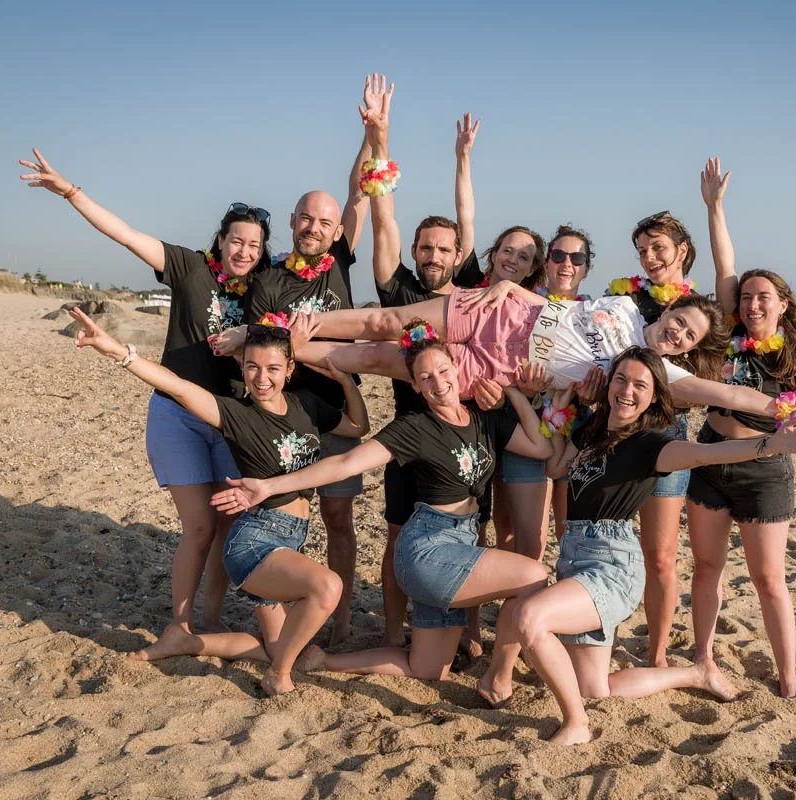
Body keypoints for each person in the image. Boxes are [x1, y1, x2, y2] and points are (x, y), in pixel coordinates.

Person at [477, 347, 796, 744]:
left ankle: (576, 725)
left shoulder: (651, 445)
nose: (627, 391)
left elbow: (705, 453)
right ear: (609, 385)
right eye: (621, 380)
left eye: (640, 385)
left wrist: (775, 444)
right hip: (574, 561)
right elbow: (557, 467)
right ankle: (695, 673)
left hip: (612, 567)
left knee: (529, 619)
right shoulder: (591, 430)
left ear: (654, 396)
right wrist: (535, 401)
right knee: (594, 688)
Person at [18, 148, 272, 638]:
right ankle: (179, 623)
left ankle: (213, 620)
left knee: (225, 526)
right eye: (235, 241)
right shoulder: (188, 267)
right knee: (198, 527)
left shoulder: (267, 286)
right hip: (176, 413)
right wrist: (71, 192)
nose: (243, 251)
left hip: (233, 417)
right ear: (218, 241)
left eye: (254, 246)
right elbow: (123, 233)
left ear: (263, 253)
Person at [211, 322, 553, 681]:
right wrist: (269, 486)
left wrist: (513, 393)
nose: (438, 383)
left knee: (429, 669)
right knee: (532, 576)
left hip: (461, 545)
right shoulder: (414, 428)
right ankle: (499, 675)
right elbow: (345, 463)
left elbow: (541, 447)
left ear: (457, 368)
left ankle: (324, 662)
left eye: (442, 370)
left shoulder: (487, 420)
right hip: (428, 549)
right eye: (426, 378)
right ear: (416, 386)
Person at [68, 309, 369, 696]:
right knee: (328, 587)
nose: (262, 378)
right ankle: (278, 676)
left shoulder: (306, 405)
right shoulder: (236, 414)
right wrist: (117, 351)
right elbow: (179, 388)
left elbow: (357, 427)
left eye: (273, 368)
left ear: (290, 367)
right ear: (241, 367)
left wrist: (346, 382)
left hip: (290, 542)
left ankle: (189, 643)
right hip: (255, 543)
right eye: (252, 367)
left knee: (279, 647)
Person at [232, 74, 382, 647]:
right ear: (292, 223)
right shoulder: (268, 280)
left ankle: (340, 619)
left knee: (340, 522)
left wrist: (370, 134)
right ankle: (278, 619)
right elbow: (269, 350)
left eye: (323, 221)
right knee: (277, 521)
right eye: (305, 219)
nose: (315, 227)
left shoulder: (341, 261)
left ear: (335, 231)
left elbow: (360, 193)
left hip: (340, 414)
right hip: (282, 416)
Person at [688, 156, 796, 698]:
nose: (752, 302)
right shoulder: (726, 335)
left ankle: (787, 675)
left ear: (782, 305)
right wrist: (714, 208)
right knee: (706, 566)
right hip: (712, 458)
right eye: (746, 297)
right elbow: (726, 266)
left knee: (769, 580)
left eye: (763, 296)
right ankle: (701, 656)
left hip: (765, 470)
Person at [368, 102, 492, 651]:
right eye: (426, 248)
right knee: (397, 538)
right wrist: (380, 139)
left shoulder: (469, 291)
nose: (435, 255)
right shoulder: (399, 291)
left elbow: (468, 221)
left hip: (467, 432)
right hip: (410, 432)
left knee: (473, 535)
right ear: (415, 252)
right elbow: (382, 217)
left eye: (444, 249)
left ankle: (467, 628)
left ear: (456, 255)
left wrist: (462, 160)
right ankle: (396, 631)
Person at [279, 280, 765, 415]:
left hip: (502, 365)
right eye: (679, 321)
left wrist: (793, 411)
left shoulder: (656, 371)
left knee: (378, 359)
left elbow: (731, 396)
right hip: (504, 311)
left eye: (688, 337)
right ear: (668, 312)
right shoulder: (627, 307)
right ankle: (288, 325)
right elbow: (566, 310)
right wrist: (512, 287)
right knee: (386, 322)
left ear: (687, 349)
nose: (677, 332)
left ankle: (284, 347)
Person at [610, 210, 723, 668]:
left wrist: (714, 208)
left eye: (658, 247)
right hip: (610, 433)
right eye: (641, 250)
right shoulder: (625, 299)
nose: (650, 257)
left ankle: (656, 654)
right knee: (599, 541)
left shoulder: (697, 311)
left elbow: (708, 381)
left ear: (682, 249)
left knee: (660, 557)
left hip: (665, 437)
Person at [495, 224, 598, 562]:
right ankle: (519, 604)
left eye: (576, 257)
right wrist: (525, 389)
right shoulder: (520, 308)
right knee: (527, 540)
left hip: (577, 431)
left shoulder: (595, 318)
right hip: (525, 427)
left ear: (586, 266)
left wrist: (591, 394)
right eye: (558, 256)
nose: (566, 264)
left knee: (569, 532)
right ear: (546, 263)